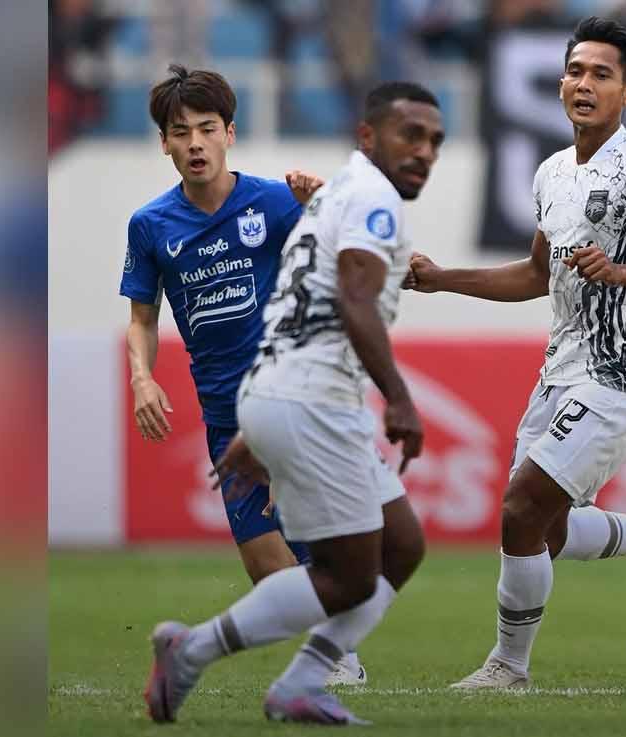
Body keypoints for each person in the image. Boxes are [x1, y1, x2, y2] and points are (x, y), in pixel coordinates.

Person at [404, 17, 626, 690]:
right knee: (545, 531)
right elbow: (538, 276)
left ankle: (509, 665)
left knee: (517, 509)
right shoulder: (551, 172)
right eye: (575, 70)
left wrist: (623, 274)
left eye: (601, 74)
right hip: (558, 373)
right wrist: (443, 277)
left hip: (619, 375)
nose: (583, 84)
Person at [143, 81, 445, 726]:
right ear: (368, 137)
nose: (424, 152)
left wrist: (264, 415)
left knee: (403, 546)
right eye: (409, 136)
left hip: (285, 395)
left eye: (435, 141)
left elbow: (292, 305)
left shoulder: (325, 201)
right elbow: (353, 303)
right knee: (348, 575)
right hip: (312, 403)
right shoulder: (370, 201)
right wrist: (399, 400)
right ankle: (191, 649)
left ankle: (303, 680)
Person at [118, 64, 367, 684]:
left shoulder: (275, 202)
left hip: (289, 396)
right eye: (181, 132)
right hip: (223, 412)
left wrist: (320, 207)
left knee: (317, 537)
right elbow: (143, 318)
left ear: (230, 132)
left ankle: (337, 657)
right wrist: (143, 378)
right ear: (165, 142)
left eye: (207, 129)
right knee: (262, 559)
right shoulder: (151, 226)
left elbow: (344, 262)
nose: (195, 143)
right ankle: (333, 643)